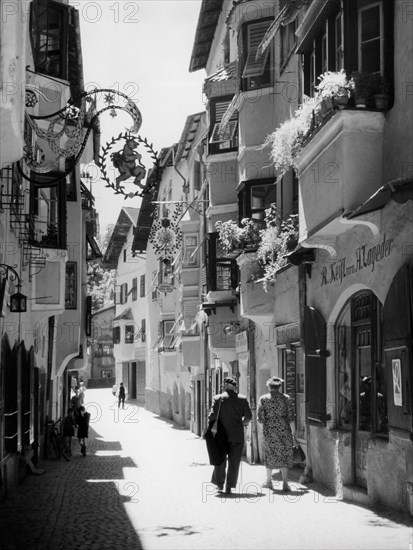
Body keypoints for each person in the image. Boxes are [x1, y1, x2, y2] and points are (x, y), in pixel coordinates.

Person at [208, 377, 252, 494]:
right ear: (235, 387)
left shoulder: (218, 398)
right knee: (234, 461)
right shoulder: (242, 399)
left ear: (224, 386)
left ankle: (219, 484)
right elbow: (248, 417)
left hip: (220, 436)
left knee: (220, 460)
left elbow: (211, 417)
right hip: (237, 435)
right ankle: (229, 486)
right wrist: (242, 423)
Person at [257, 376, 296, 492]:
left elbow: (260, 418)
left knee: (270, 454)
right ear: (279, 387)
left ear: (269, 387)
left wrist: (263, 431)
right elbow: (291, 417)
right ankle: (285, 483)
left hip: (270, 430)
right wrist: (293, 431)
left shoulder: (263, 399)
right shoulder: (286, 398)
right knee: (285, 454)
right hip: (284, 429)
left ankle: (269, 481)